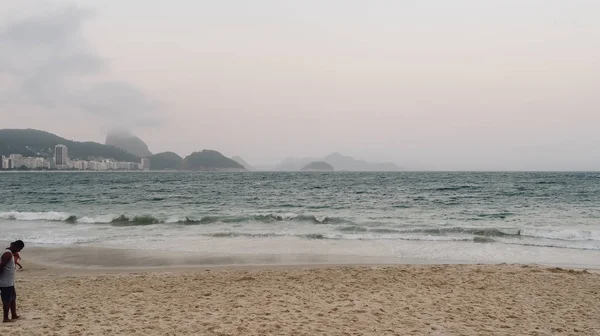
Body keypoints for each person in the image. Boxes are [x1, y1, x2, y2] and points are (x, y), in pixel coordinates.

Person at [0, 240, 25, 323]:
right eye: (19, 248)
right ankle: (5, 318)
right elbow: (1, 266)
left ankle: (14, 315)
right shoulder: (7, 254)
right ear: (15, 246)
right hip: (5, 282)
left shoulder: (10, 253)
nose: (19, 251)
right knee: (6, 300)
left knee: (13, 298)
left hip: (9, 281)